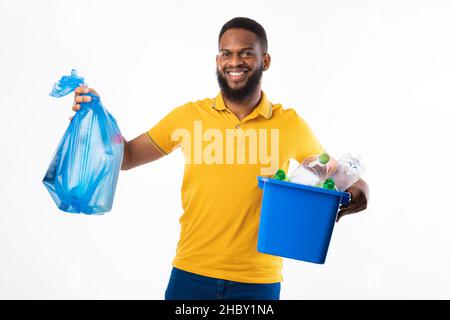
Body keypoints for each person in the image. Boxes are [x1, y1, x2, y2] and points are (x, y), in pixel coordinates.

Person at [71, 17, 369, 300]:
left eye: (246, 53)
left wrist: (362, 189)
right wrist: (95, 115)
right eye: (226, 53)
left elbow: (336, 174)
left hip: (258, 280)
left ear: (265, 61)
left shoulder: (290, 124)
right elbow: (127, 157)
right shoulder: (188, 117)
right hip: (191, 272)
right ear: (218, 61)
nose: (235, 61)